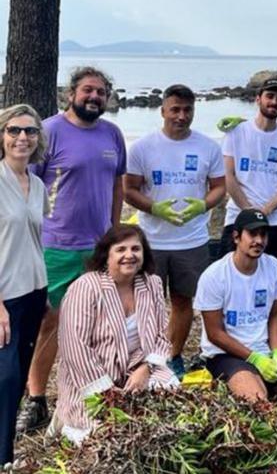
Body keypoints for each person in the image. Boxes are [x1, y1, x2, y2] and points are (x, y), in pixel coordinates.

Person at [19, 67, 126, 434]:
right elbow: (29, 186)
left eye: (101, 92)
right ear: (71, 94)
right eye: (88, 90)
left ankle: (85, 397)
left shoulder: (113, 134)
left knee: (95, 325)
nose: (94, 97)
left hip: (99, 248)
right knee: (48, 322)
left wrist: (114, 233)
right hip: (56, 244)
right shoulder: (48, 131)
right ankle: (35, 400)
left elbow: (117, 185)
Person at [124, 84, 226, 378]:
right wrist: (155, 208)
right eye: (175, 110)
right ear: (163, 111)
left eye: (187, 110)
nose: (181, 116)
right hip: (152, 240)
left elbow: (219, 187)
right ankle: (146, 359)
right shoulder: (143, 147)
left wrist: (202, 205)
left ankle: (175, 355)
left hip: (192, 240)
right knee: (147, 304)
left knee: (183, 301)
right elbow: (129, 189)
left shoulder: (208, 146)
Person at [51, 225, 179, 444]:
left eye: (135, 249)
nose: (129, 255)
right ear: (106, 255)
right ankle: (67, 424)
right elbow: (74, 346)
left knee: (168, 404)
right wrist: (107, 393)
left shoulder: (152, 284)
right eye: (121, 250)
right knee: (106, 435)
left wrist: (145, 369)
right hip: (91, 377)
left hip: (136, 369)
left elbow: (162, 335)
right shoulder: (86, 287)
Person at [195, 209, 277, 406]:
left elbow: (274, 315)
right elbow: (214, 333)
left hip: (263, 350)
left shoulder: (273, 266)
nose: (259, 240)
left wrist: (275, 352)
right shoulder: (214, 275)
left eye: (263, 234)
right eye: (252, 234)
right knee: (258, 404)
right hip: (226, 354)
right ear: (236, 237)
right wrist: (254, 359)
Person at [0, 105, 48, 466]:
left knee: (15, 384)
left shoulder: (38, 185)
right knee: (7, 377)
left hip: (33, 293)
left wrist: (42, 289)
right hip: (5, 297)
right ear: (2, 135)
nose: (22, 138)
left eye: (30, 131)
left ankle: (7, 456)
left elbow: (35, 239)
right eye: (14, 130)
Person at [221, 71, 277, 263]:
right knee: (229, 276)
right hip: (237, 215)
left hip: (275, 219)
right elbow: (228, 176)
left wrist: (265, 211)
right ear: (258, 99)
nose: (274, 102)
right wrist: (249, 211)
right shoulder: (236, 132)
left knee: (269, 278)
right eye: (270, 96)